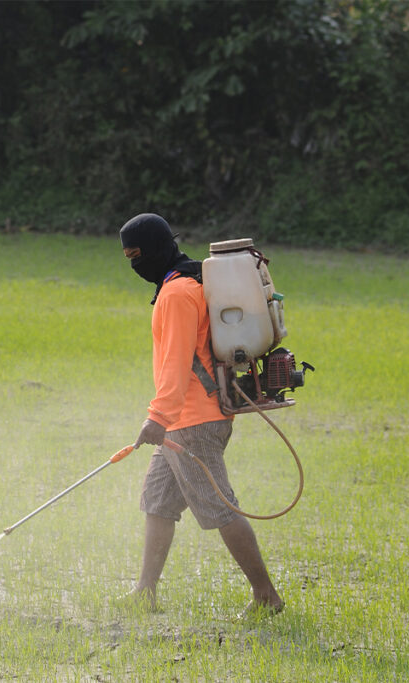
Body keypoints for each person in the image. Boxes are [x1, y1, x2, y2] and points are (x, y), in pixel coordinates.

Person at [118, 212, 284, 617]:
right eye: (128, 258)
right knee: (157, 501)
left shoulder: (176, 294)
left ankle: (266, 596)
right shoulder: (189, 280)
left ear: (157, 248)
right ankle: (145, 591)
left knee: (219, 508)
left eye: (138, 255)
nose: (135, 265)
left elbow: (176, 363)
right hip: (185, 418)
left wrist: (157, 417)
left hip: (192, 420)